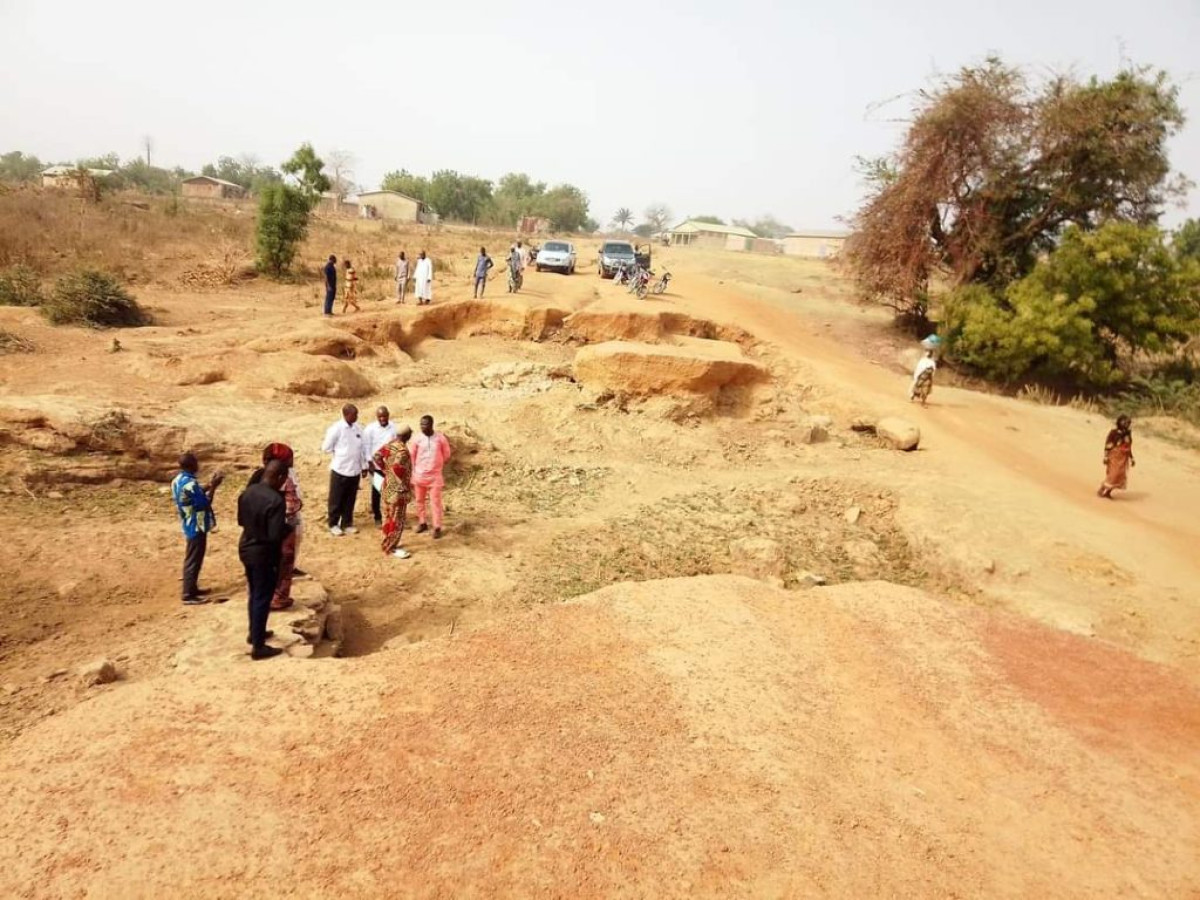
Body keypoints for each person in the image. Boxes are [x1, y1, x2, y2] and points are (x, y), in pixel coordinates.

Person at [238, 459, 291, 660]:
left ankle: (255, 633)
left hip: (246, 548)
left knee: (254, 594)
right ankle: (258, 647)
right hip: (264, 554)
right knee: (262, 597)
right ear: (279, 477)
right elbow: (275, 534)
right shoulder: (276, 501)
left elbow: (241, 521)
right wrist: (288, 528)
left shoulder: (247, 492)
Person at [171, 453, 225, 605]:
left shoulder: (179, 480)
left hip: (188, 522)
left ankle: (192, 588)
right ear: (191, 465)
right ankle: (188, 594)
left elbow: (195, 493)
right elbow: (205, 503)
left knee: (193, 557)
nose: (198, 465)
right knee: (194, 558)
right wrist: (213, 486)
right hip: (196, 524)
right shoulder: (190, 484)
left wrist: (209, 484)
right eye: (196, 462)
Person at [263, 443, 302, 611]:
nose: (293, 461)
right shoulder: (285, 478)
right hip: (284, 526)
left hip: (265, 527)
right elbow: (292, 506)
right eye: (290, 458)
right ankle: (279, 598)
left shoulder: (261, 475)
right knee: (284, 560)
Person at [321, 404, 367, 536]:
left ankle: (347, 523)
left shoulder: (358, 428)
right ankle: (333, 523)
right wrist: (340, 453)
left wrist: (363, 467)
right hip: (340, 469)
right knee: (336, 499)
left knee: (350, 499)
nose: (357, 417)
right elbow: (326, 448)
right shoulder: (336, 429)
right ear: (346, 415)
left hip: (354, 470)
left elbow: (362, 449)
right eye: (354, 414)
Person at [373, 425, 414, 558]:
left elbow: (376, 456)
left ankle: (386, 541)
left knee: (388, 516)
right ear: (407, 436)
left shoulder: (390, 445)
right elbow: (398, 468)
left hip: (387, 487)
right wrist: (399, 480)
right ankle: (391, 547)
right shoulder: (403, 451)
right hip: (399, 491)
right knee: (397, 519)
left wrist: (385, 470)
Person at [409, 414, 452, 539]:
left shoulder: (440, 438)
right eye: (421, 424)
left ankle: (437, 527)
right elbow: (412, 456)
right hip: (419, 475)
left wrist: (436, 465)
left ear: (431, 425)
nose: (422, 426)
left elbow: (447, 454)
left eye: (425, 424)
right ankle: (422, 523)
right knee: (419, 501)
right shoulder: (417, 439)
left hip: (435, 476)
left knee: (435, 502)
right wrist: (414, 471)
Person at [363, 405, 398, 526]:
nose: (382, 418)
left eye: (384, 416)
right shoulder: (370, 429)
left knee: (391, 492)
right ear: (377, 417)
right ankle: (377, 516)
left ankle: (391, 516)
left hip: (390, 466)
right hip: (376, 467)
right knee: (377, 491)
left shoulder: (394, 427)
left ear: (388, 415)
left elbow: (396, 445)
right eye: (380, 416)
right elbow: (366, 447)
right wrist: (369, 463)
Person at [1098, 415, 1136, 499]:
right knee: (1113, 474)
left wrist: (1132, 458)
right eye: (1125, 422)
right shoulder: (1114, 433)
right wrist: (1106, 456)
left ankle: (1108, 492)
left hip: (1123, 459)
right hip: (1114, 456)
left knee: (1119, 476)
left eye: (1128, 423)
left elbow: (1128, 447)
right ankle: (1102, 489)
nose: (1127, 424)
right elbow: (1108, 444)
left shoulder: (1128, 434)